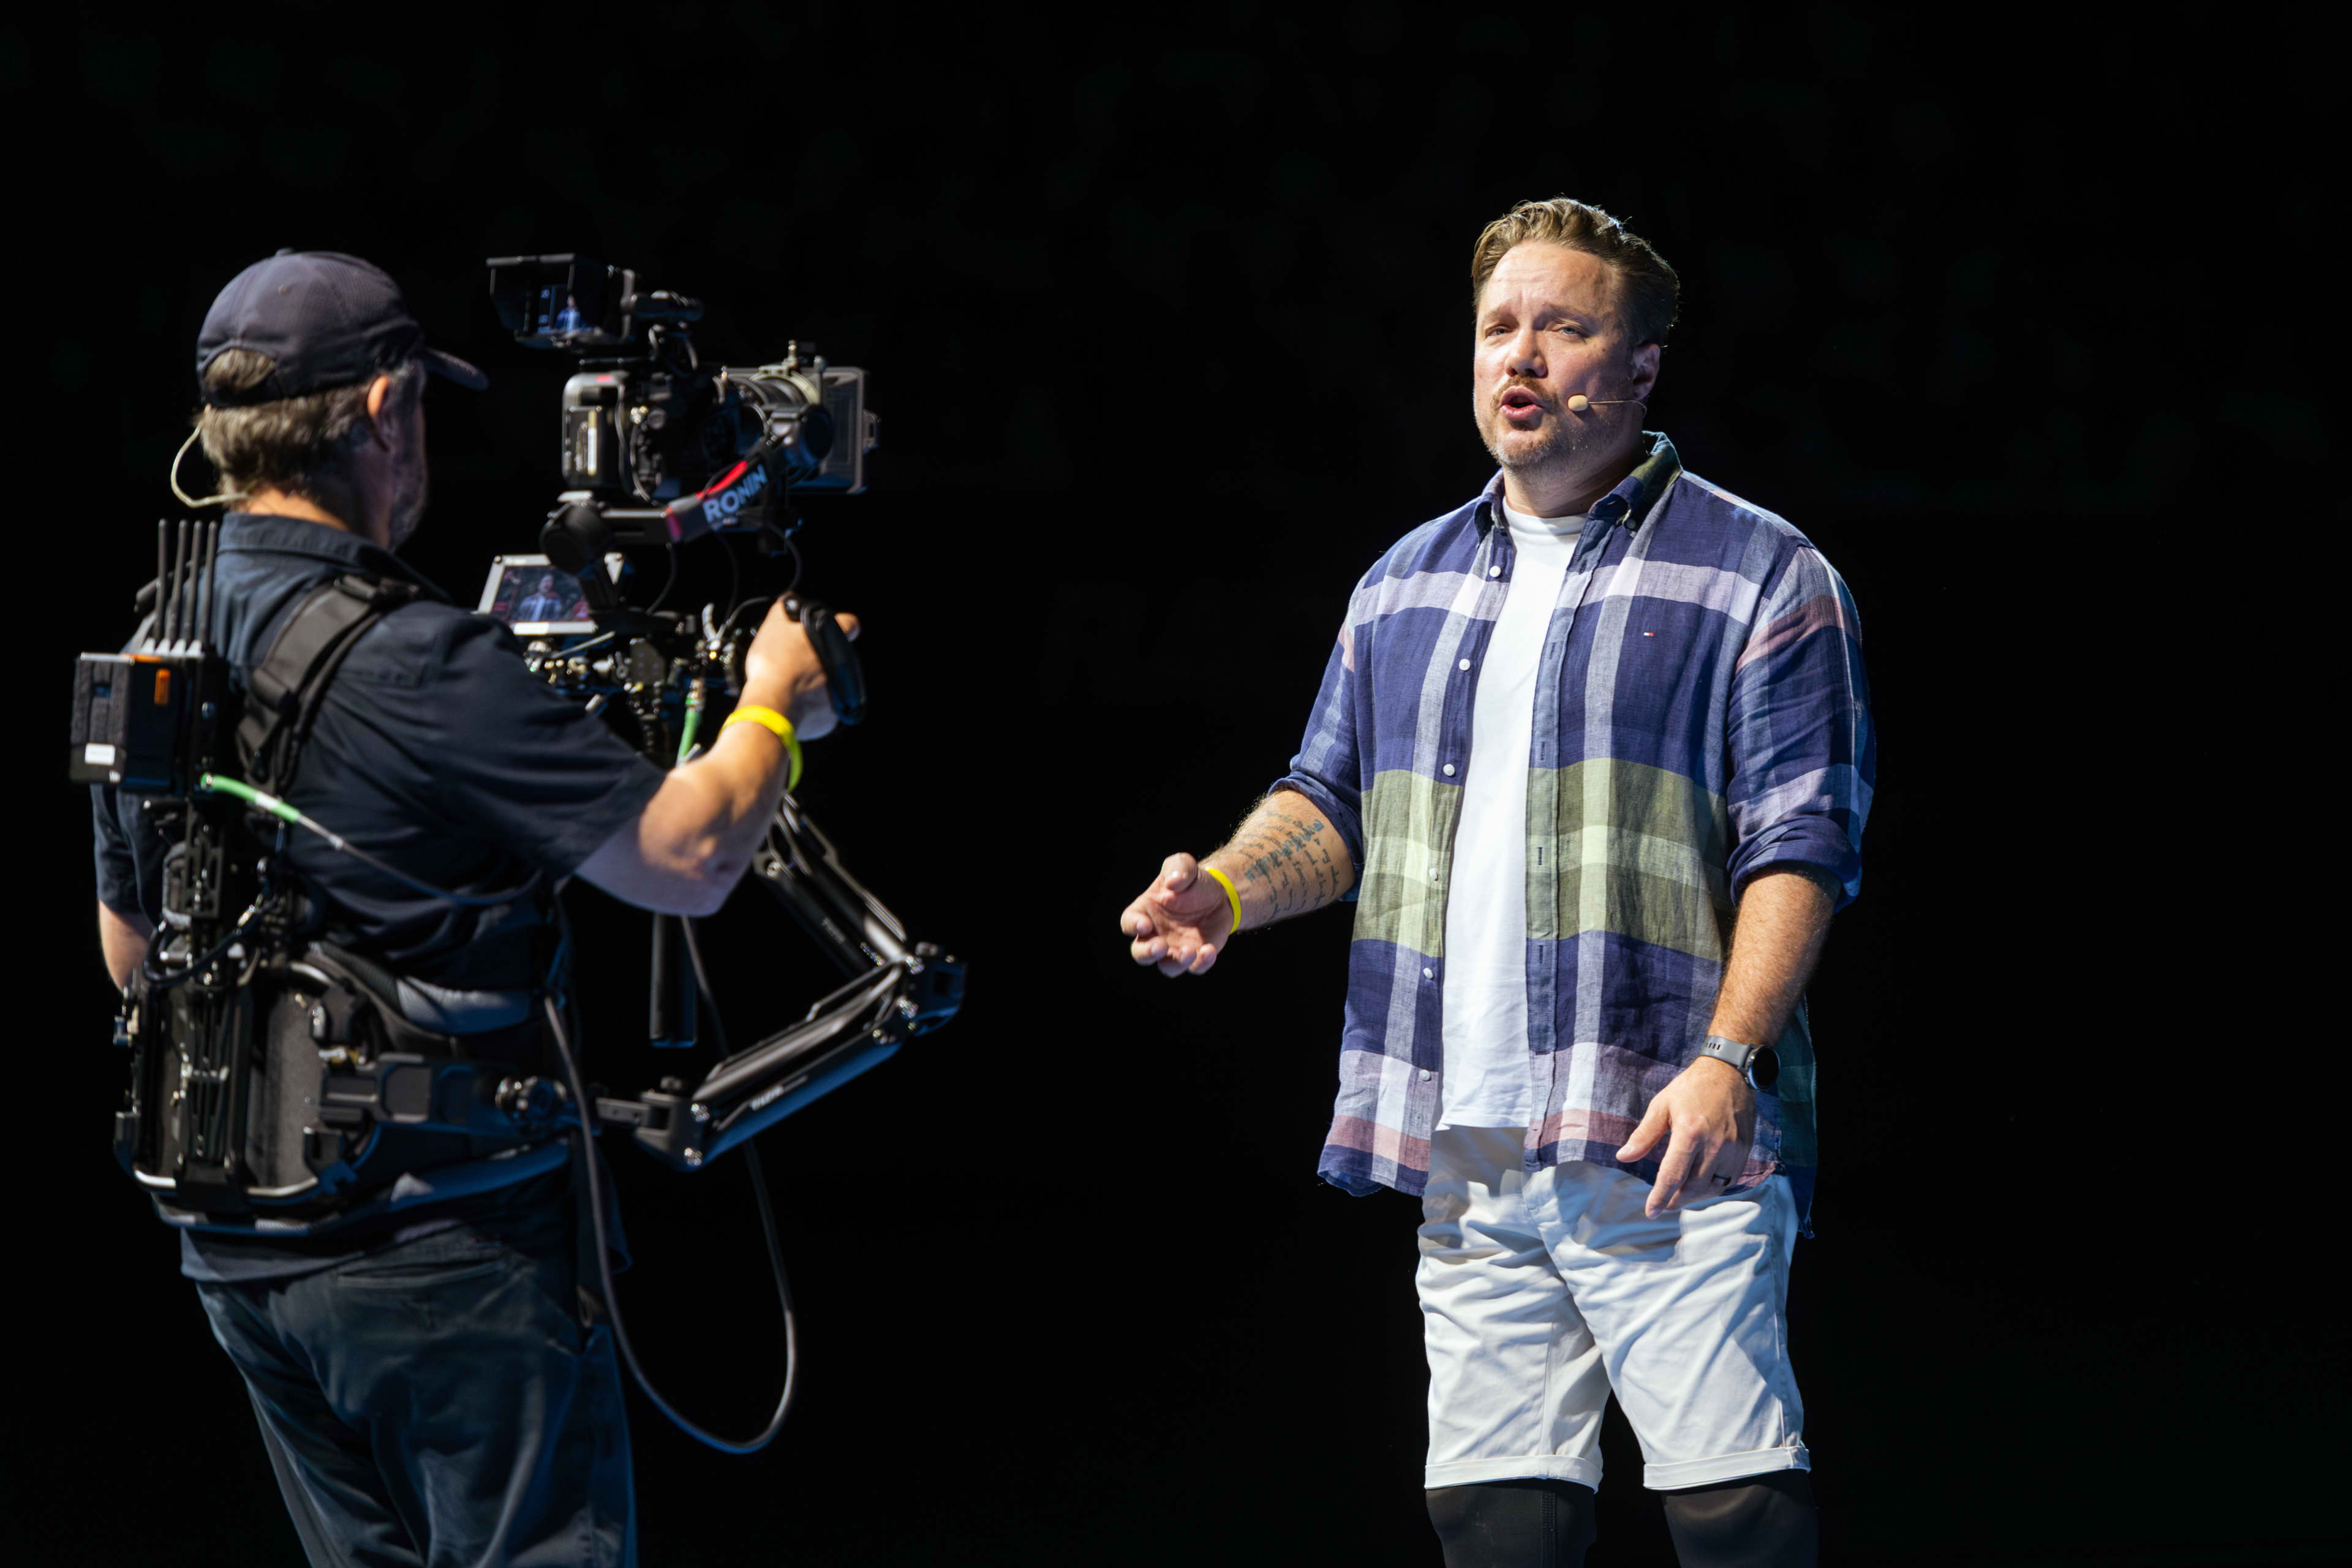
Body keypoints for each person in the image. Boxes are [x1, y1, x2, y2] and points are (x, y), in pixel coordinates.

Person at [1118, 198, 1874, 1568]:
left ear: (1641, 366)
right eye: (1497, 328)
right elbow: (1333, 801)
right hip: (1467, 1136)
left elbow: (1802, 842)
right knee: (1495, 1521)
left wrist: (1728, 1057)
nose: (1519, 356)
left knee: (1736, 1514)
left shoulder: (1760, 568)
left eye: (1564, 327)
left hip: (1662, 1123)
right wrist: (1223, 891)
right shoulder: (1406, 581)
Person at [90, 250, 858, 1567]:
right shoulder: (419, 659)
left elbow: (128, 958)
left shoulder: (158, 634)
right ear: (385, 408)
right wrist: (776, 700)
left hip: (241, 1253)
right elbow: (691, 856)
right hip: (440, 1251)